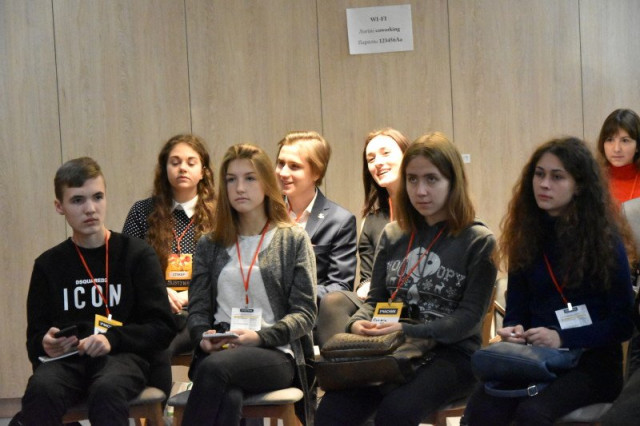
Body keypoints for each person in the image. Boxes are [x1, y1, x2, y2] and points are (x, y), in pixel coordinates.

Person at [315, 132, 497, 426]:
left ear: (453, 181)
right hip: (392, 349)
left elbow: (468, 321)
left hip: (453, 355)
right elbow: (375, 301)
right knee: (331, 410)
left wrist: (407, 328)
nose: (420, 190)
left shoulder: (478, 240)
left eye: (432, 179)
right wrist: (355, 323)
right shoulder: (393, 234)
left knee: (395, 412)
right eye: (412, 179)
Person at [463, 137, 635, 426]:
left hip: (592, 364)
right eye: (539, 174)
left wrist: (562, 337)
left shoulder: (604, 240)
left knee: (532, 414)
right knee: (481, 409)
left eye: (557, 177)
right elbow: (516, 310)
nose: (544, 184)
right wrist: (514, 329)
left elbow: (623, 323)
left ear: (579, 186)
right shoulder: (526, 235)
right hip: (534, 357)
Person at [13, 157, 175, 425]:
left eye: (97, 197)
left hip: (123, 357)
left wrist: (113, 338)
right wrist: (45, 342)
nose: (90, 209)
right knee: (41, 390)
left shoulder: (137, 255)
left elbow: (162, 327)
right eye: (77, 200)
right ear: (59, 206)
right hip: (68, 361)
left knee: (107, 390)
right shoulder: (48, 265)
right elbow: (35, 339)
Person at [183, 144, 317, 425]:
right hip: (221, 349)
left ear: (267, 183)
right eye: (231, 180)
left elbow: (305, 314)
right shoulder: (209, 244)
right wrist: (202, 338)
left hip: (274, 352)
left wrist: (259, 337)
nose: (239, 188)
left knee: (215, 370)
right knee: (228, 397)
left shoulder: (292, 239)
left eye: (250, 178)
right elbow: (197, 310)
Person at [122, 134, 216, 356]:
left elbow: (229, 272)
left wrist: (191, 296)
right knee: (152, 343)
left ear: (203, 171)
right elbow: (126, 268)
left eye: (191, 163)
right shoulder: (142, 211)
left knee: (165, 346)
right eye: (175, 162)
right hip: (156, 309)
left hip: (204, 310)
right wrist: (159, 292)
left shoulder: (220, 215)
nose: (182, 168)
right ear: (164, 169)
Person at [317, 127, 410, 346]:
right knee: (334, 301)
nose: (378, 162)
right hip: (381, 303)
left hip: (416, 299)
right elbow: (367, 276)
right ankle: (342, 363)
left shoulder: (426, 210)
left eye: (386, 153)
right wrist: (366, 285)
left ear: (408, 155)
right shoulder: (372, 220)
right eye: (371, 159)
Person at [275, 130, 357, 301]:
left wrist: (291, 293)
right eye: (281, 163)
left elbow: (340, 287)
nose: (283, 173)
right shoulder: (265, 214)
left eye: (294, 166)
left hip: (312, 314)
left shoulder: (340, 221)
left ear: (317, 172)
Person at [597, 108, 640, 203]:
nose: (616, 149)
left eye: (625, 140)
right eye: (610, 140)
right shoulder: (592, 180)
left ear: (637, 146)